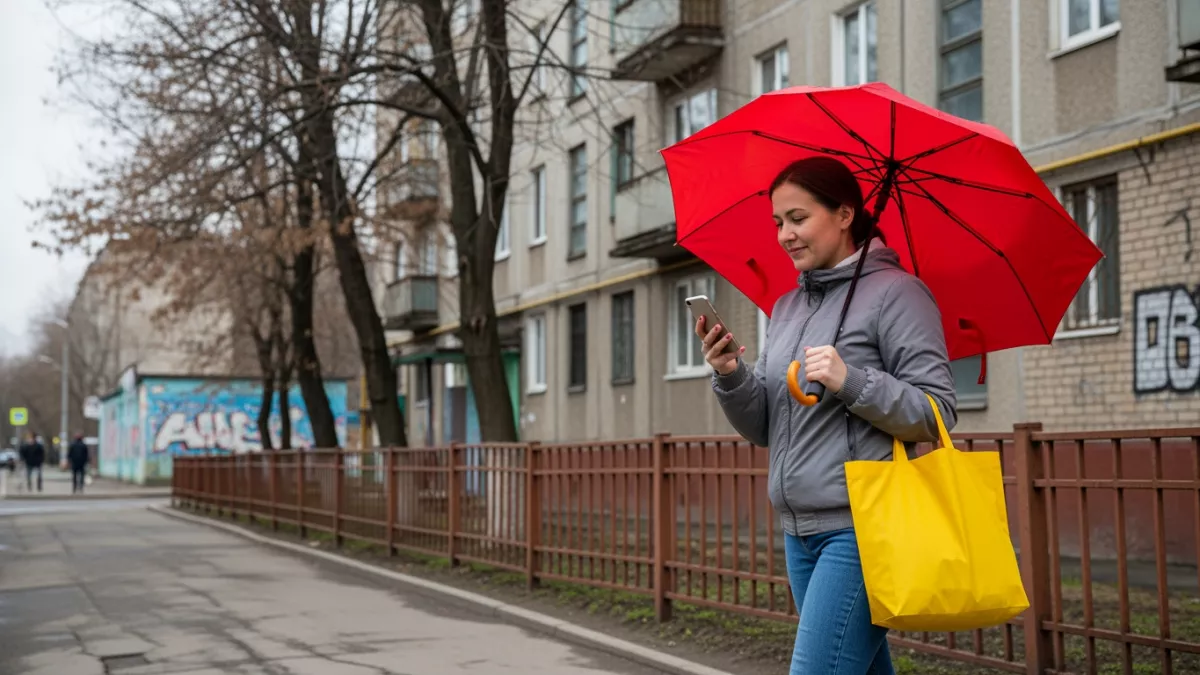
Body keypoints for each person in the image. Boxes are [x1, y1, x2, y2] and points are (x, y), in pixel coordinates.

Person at [696, 156, 957, 675]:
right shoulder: (788, 308)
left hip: (862, 528)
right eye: (777, 223)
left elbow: (937, 411)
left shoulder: (897, 295)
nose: (785, 235)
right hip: (799, 530)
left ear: (844, 214)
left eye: (797, 218)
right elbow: (765, 427)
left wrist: (851, 380)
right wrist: (730, 374)